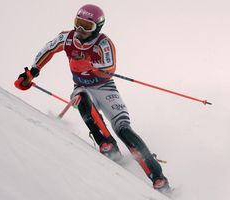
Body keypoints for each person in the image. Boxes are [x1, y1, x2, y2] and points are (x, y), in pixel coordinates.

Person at [15, 4, 171, 192]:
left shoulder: (104, 43)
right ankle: (106, 142)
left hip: (105, 88)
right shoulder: (67, 37)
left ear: (97, 27)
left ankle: (159, 178)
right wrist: (32, 72)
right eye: (78, 23)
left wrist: (89, 65)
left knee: (123, 129)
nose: (80, 30)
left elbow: (110, 67)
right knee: (79, 98)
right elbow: (47, 50)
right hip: (82, 88)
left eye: (86, 26)